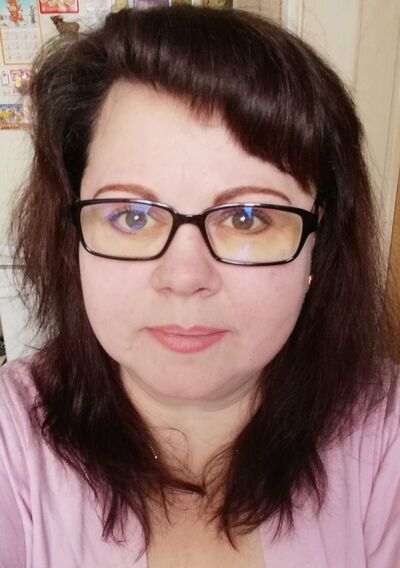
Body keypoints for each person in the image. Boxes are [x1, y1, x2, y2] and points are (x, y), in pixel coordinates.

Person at [0, 5, 399, 567]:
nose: (184, 278)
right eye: (132, 215)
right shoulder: (12, 439)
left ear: (318, 241)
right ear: (73, 236)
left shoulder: (384, 435)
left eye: (247, 218)